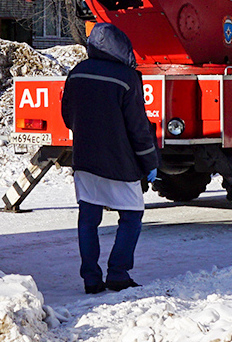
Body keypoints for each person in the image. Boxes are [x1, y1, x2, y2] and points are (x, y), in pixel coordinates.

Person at [60, 23, 159, 294]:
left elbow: (68, 116)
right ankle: (118, 273)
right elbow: (137, 127)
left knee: (88, 218)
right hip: (121, 163)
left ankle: (91, 279)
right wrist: (150, 162)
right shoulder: (127, 78)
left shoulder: (76, 73)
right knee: (131, 216)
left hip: (86, 159)